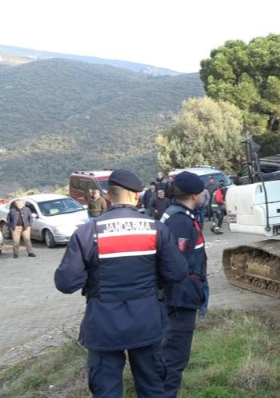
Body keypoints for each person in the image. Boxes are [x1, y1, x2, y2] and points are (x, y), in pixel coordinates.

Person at [54, 169, 188, 398]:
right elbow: (177, 272)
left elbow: (66, 283)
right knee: (153, 388)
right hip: (146, 321)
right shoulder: (156, 229)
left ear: (108, 196)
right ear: (136, 196)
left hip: (103, 325)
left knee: (106, 392)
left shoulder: (88, 232)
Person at [160, 172, 208, 398]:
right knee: (174, 358)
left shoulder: (176, 215)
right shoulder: (180, 220)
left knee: (171, 356)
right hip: (179, 298)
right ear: (195, 195)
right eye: (202, 193)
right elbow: (176, 264)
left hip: (180, 295)